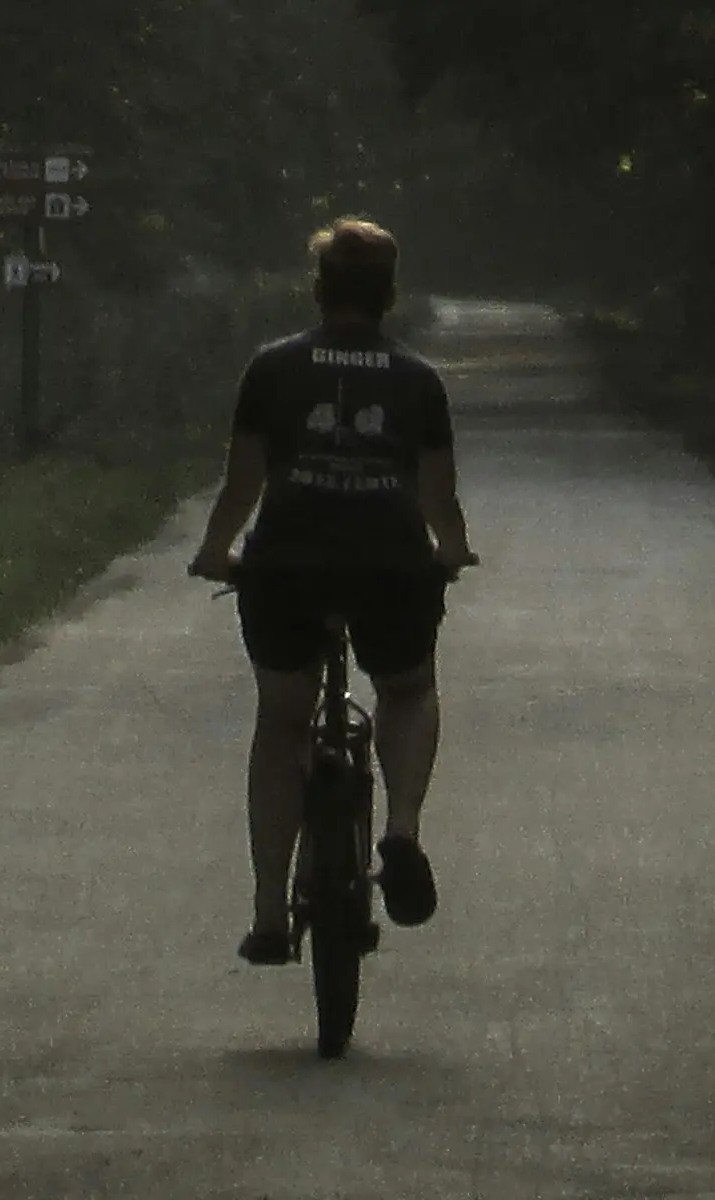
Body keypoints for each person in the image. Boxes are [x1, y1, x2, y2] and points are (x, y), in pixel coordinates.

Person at [187, 217, 478, 966]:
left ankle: (268, 917)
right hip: (389, 567)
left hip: (287, 566)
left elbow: (243, 483)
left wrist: (216, 551)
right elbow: (437, 496)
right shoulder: (417, 380)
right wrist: (450, 552)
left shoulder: (272, 369)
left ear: (318, 291)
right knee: (407, 690)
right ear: (390, 295)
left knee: (282, 722)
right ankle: (402, 831)